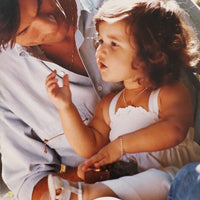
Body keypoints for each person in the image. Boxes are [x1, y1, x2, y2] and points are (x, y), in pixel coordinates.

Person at [0, 0, 199, 200]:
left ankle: (88, 193)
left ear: (152, 53)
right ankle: (87, 193)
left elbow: (174, 131)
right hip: (125, 190)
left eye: (113, 43)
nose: (99, 51)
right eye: (101, 41)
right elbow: (88, 146)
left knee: (161, 179)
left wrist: (119, 146)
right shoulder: (110, 105)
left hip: (177, 179)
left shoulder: (168, 92)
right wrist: (66, 107)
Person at [0, 0, 122, 199]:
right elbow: (29, 183)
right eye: (24, 31)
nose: (51, 25)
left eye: (40, 3)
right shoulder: (6, 78)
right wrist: (85, 174)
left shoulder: (119, 6)